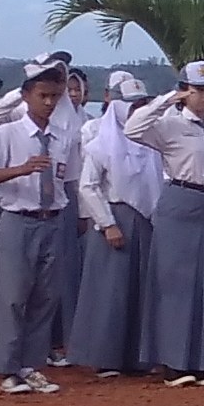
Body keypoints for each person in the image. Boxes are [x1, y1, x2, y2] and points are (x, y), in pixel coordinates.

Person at [124, 62, 204, 385]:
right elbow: (133, 129)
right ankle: (173, 362)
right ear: (185, 90)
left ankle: (200, 361)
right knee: (174, 285)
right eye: (197, 90)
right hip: (179, 199)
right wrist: (168, 99)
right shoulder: (170, 125)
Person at [0, 56, 77, 394]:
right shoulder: (9, 133)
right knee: (13, 296)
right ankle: (7, 366)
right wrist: (19, 170)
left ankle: (32, 364)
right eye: (42, 96)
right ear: (26, 96)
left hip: (52, 219)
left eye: (54, 97)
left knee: (45, 296)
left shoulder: (64, 137)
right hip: (19, 219)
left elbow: (70, 179)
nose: (48, 103)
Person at [72, 69, 152, 377]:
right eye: (131, 104)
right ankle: (105, 356)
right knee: (110, 290)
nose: (136, 110)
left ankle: (136, 356)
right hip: (115, 215)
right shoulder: (101, 143)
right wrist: (107, 223)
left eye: (141, 104)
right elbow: (88, 186)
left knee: (140, 289)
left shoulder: (148, 141)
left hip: (145, 219)